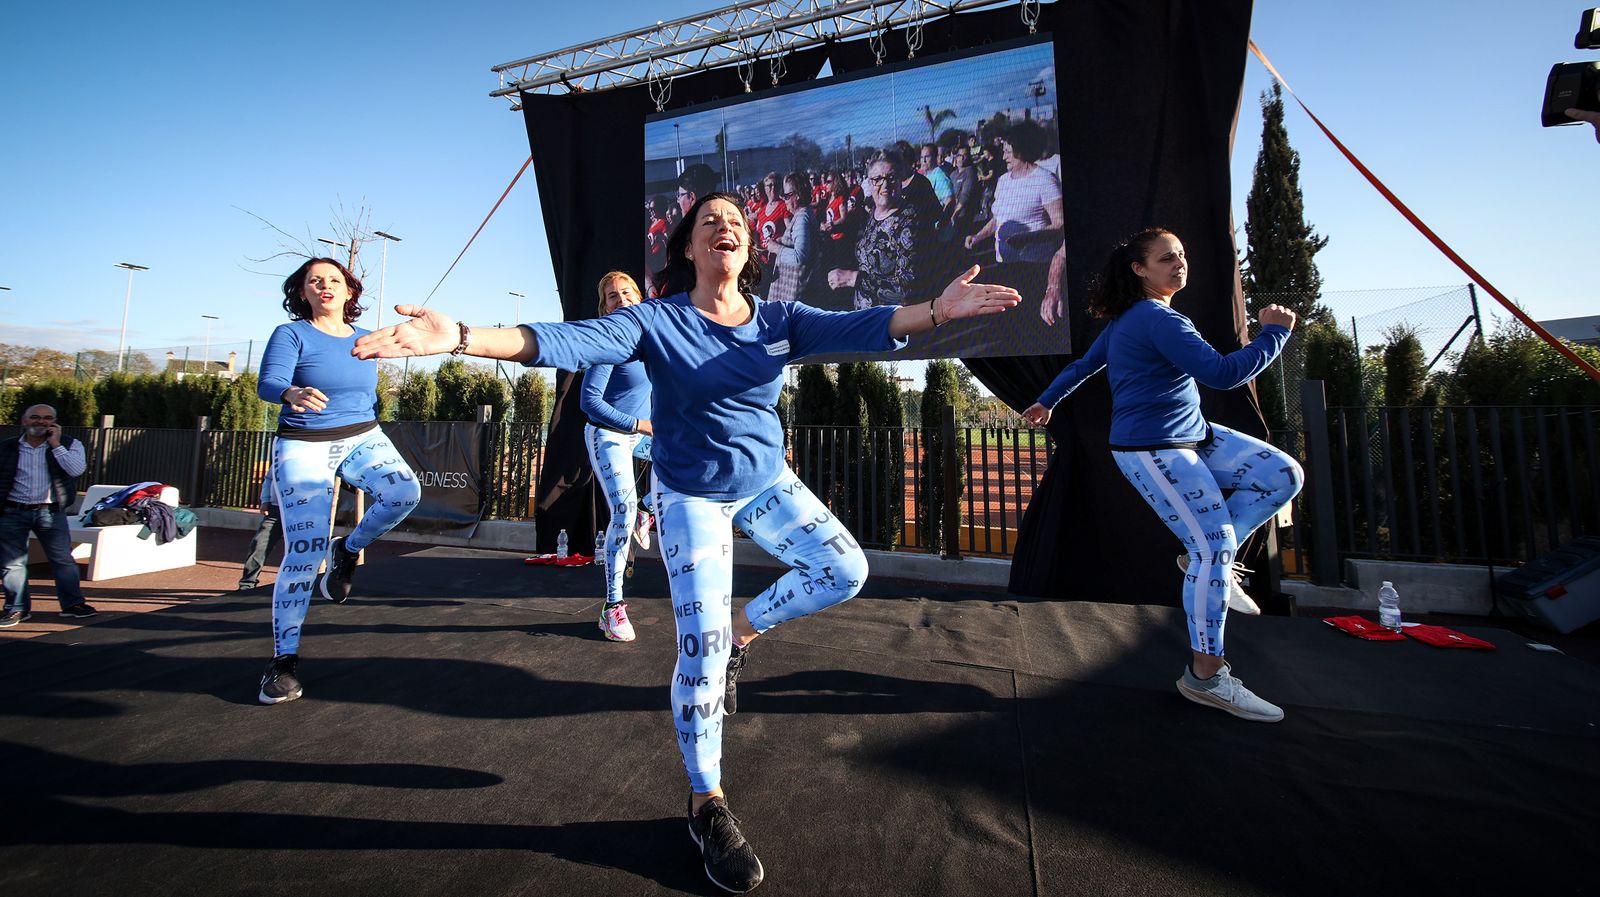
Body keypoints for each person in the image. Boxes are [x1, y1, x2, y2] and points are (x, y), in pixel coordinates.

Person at [353, 192, 1020, 893]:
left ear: (747, 249)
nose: (726, 225)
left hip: (765, 482)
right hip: (691, 495)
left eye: (736, 220)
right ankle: (708, 802)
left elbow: (870, 323)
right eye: (710, 221)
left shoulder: (780, 319)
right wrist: (458, 334)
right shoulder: (659, 319)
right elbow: (565, 339)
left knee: (844, 568)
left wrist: (940, 311)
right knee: (697, 655)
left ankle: (743, 629)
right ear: (690, 250)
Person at [1023, 228, 1302, 723]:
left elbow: (1086, 366)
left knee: (1282, 475)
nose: (1180, 264)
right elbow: (1222, 373)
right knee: (1210, 549)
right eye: (1167, 258)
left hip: (1193, 436)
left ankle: (1215, 560)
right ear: (1140, 269)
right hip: (1153, 451)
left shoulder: (1135, 318)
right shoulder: (1154, 318)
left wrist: (1047, 400)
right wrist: (1275, 333)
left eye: (1182, 256)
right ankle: (1206, 677)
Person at [255, 257, 422, 705]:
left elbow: (411, 345)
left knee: (405, 492)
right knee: (303, 553)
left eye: (333, 280)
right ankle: (283, 660)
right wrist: (289, 392)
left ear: (350, 291)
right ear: (303, 292)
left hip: (362, 435)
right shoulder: (291, 334)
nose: (324, 286)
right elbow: (267, 383)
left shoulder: (363, 340)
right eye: (315, 281)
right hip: (304, 443)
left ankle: (347, 550)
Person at [582, 272, 654, 642]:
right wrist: (639, 423)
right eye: (612, 296)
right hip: (608, 433)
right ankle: (612, 608)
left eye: (627, 293)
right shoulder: (608, 344)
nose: (621, 299)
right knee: (622, 513)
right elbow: (589, 403)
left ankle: (649, 512)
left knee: (687, 453)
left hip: (641, 436)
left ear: (640, 298)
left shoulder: (652, 341)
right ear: (604, 307)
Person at [0, 404, 98, 626]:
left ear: (54, 422)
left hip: (51, 512)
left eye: (47, 418)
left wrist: (55, 444)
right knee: (12, 564)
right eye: (35, 417)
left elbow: (76, 470)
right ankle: (16, 608)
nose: (40, 421)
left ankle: (73, 604)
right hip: (14, 511)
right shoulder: (7, 447)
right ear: (24, 420)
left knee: (62, 560)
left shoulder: (70, 445)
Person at [827, 154, 926, 309]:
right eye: (877, 179)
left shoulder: (909, 221)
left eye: (891, 177)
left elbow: (907, 289)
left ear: (900, 180)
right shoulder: (874, 213)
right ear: (869, 182)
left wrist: (852, 278)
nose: (885, 185)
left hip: (891, 320)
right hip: (865, 314)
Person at [965, 121, 1063, 264]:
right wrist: (977, 236)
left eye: (1008, 152)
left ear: (1022, 151)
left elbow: (1059, 224)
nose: (1004, 157)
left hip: (1034, 263)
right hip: (1004, 262)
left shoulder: (1045, 180)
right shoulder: (1003, 181)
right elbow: (998, 219)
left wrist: (1028, 237)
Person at [765, 171, 818, 302]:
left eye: (787, 195)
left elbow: (799, 256)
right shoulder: (804, 214)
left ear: (798, 195)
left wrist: (775, 247)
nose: (784, 200)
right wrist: (782, 240)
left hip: (794, 293)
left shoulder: (801, 219)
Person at [237, 464, 283, 591]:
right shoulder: (282, 452)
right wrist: (265, 500)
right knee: (259, 544)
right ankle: (247, 584)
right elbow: (269, 478)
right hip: (275, 509)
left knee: (300, 548)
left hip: (302, 511)